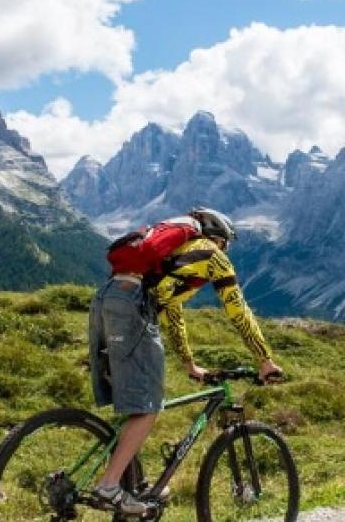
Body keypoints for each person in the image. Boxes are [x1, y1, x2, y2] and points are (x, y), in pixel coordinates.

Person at [88, 207, 283, 515]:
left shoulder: (167, 261)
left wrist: (190, 364)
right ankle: (109, 485)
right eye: (225, 245)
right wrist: (265, 359)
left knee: (133, 403)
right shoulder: (210, 253)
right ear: (217, 239)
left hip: (106, 298)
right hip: (133, 305)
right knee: (150, 406)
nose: (224, 251)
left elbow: (172, 311)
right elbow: (238, 309)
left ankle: (132, 483)